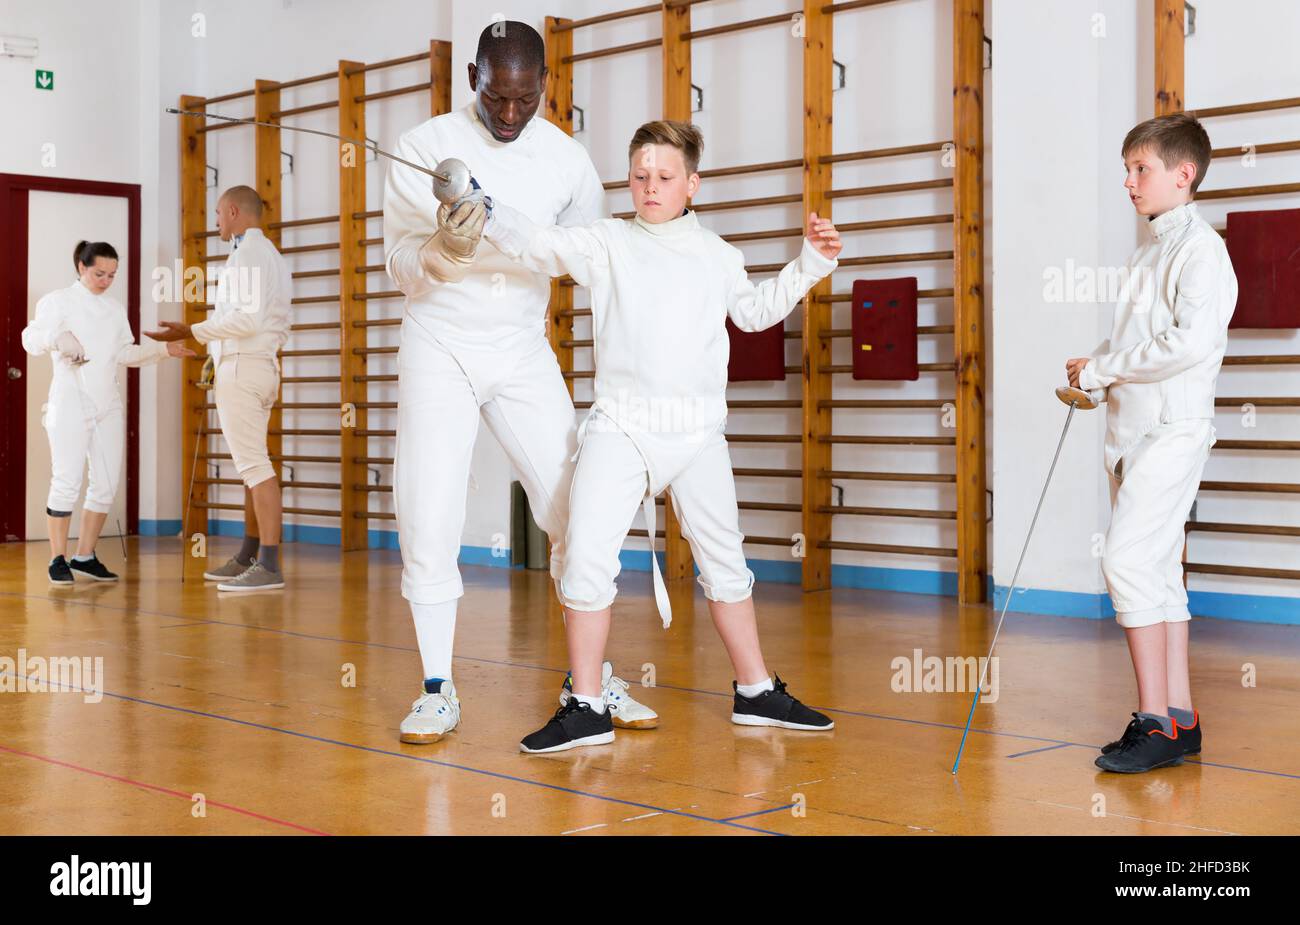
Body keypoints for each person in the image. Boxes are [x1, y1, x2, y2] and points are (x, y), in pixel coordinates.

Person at [478, 120, 843, 753]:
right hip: (621, 427)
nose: (650, 187)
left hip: (698, 433)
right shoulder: (607, 242)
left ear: (692, 184)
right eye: (640, 176)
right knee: (588, 558)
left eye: (665, 177)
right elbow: (539, 244)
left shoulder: (719, 256)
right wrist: (483, 209)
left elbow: (754, 313)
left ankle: (755, 692)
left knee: (726, 565)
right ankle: (586, 706)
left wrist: (812, 262)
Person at [381, 20, 656, 745]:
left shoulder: (566, 160)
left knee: (578, 502)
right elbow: (399, 266)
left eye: (524, 99)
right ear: (472, 73)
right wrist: (443, 248)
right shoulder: (419, 148)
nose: (508, 114)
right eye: (496, 95)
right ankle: (437, 686)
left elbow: (581, 257)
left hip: (521, 344)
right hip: (439, 337)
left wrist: (506, 227)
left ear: (545, 86)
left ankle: (587, 679)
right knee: (428, 504)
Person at [1065, 112, 1238, 773]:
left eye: (1142, 169)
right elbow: (1141, 341)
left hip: (1172, 431)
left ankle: (1153, 722)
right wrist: (1096, 365)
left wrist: (1108, 368)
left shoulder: (1202, 250)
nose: (1130, 182)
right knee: (1160, 572)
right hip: (1132, 433)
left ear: (1182, 174)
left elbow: (1189, 343)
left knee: (1128, 563)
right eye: (1127, 170)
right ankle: (1183, 717)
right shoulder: (1147, 253)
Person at [146, 184, 292, 591]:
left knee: (254, 467)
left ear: (231, 212)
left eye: (216, 213)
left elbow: (246, 321)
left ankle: (269, 566)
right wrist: (213, 349)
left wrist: (193, 330)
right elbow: (247, 318)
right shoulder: (268, 255)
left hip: (244, 369)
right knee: (251, 465)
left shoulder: (248, 254)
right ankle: (250, 553)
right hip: (253, 365)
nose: (215, 222)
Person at [22, 240, 192, 584]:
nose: (106, 280)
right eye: (99, 273)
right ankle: (57, 558)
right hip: (69, 402)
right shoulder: (58, 301)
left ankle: (84, 556)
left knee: (106, 483)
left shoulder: (113, 308)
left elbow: (123, 354)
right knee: (67, 481)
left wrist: (163, 350)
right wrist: (58, 336)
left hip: (107, 405)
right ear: (82, 267)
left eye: (112, 275)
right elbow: (30, 337)